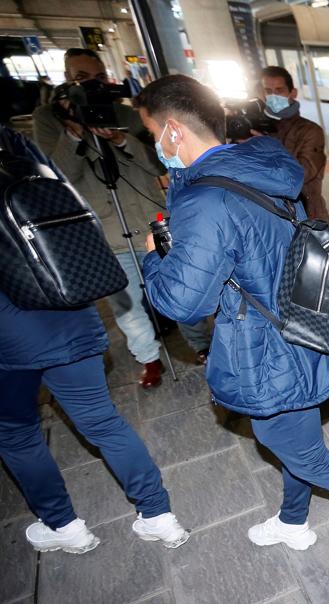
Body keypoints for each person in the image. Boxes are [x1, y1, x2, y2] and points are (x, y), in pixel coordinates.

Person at [133, 75, 329, 559]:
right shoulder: (261, 161)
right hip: (300, 317)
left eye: (152, 134)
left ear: (173, 131)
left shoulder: (207, 200)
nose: (155, 147)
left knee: (302, 452)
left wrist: (155, 256)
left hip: (266, 341)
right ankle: (294, 521)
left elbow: (183, 304)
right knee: (295, 440)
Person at [0, 126, 189, 555]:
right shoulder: (26, 160)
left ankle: (64, 527)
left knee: (16, 435)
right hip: (72, 311)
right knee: (104, 422)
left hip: (11, 335)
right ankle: (159, 516)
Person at [33, 48, 212, 386]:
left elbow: (160, 163)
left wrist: (119, 139)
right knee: (125, 302)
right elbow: (55, 175)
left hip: (151, 219)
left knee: (182, 287)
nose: (93, 86)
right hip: (106, 229)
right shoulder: (51, 118)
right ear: (68, 80)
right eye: (82, 78)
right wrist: (73, 132)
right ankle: (149, 358)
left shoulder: (128, 114)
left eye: (99, 77)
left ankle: (202, 345)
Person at [258, 66, 328, 221]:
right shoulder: (256, 129)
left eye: (279, 90)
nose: (274, 96)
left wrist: (263, 146)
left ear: (292, 93)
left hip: (306, 215)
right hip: (266, 215)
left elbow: (301, 174)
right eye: (268, 91)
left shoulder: (310, 130)